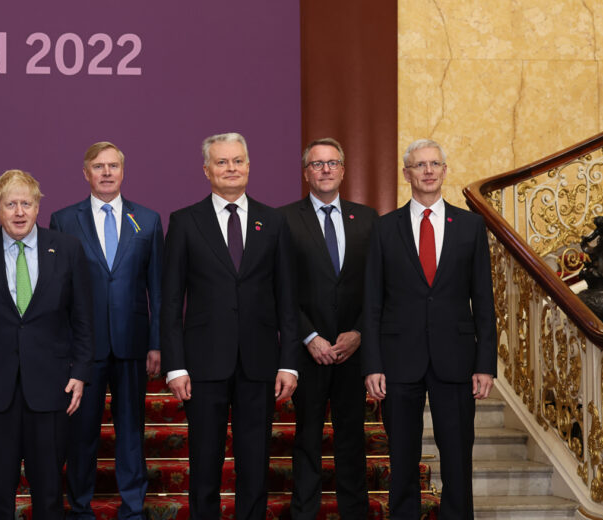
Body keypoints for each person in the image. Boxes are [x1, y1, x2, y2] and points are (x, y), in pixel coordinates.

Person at [159, 133, 299, 520]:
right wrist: (175, 365)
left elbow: (288, 298)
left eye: (238, 161)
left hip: (259, 363)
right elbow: (171, 301)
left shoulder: (273, 222)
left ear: (249, 167)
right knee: (205, 462)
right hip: (203, 364)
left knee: (254, 462)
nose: (231, 168)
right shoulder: (185, 222)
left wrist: (289, 362)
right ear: (207, 170)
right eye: (222, 162)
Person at [0, 169, 94, 520]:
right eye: (10, 204)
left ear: (38, 206)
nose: (19, 212)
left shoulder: (68, 249)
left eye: (26, 203)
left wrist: (82, 370)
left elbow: (84, 319)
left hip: (52, 388)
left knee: (49, 495)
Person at [362, 139, 497, 520]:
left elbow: (484, 302)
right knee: (402, 457)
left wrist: (485, 364)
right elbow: (372, 303)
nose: (427, 170)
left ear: (444, 171)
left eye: (434, 164)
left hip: (456, 359)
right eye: (419, 165)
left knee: (457, 456)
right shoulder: (384, 229)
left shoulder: (471, 226)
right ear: (407, 174)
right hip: (397, 360)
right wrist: (372, 364)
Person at [49, 142, 163, 520]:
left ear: (123, 171)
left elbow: (157, 289)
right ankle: (80, 508)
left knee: (132, 433)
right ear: (86, 173)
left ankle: (132, 508)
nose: (107, 172)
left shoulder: (147, 220)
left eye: (113, 165)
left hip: (132, 343)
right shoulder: (64, 220)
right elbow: (56, 291)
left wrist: (156, 343)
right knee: (81, 435)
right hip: (83, 348)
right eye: (99, 166)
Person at [279, 138, 377, 519]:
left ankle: (355, 512)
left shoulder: (368, 219)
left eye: (332, 163)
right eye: (317, 164)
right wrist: (309, 336)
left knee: (353, 440)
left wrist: (359, 333)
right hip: (307, 352)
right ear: (306, 172)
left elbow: (377, 286)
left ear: (343, 170)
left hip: (354, 352)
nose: (325, 170)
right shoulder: (283, 219)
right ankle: (305, 512)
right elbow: (281, 288)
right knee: (307, 440)